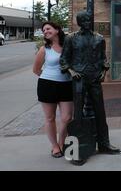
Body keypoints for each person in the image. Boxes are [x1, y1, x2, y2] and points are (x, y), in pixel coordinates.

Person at [60, 11, 121, 166]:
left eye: (89, 19)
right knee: (78, 114)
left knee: (100, 111)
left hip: (94, 78)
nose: (88, 22)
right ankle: (78, 149)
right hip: (79, 78)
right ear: (79, 22)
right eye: (84, 20)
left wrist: (103, 72)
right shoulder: (70, 38)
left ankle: (104, 143)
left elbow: (103, 59)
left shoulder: (99, 39)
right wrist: (72, 72)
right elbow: (64, 59)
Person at [33, 22, 73, 158]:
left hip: (66, 85)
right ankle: (55, 146)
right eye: (44, 30)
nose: (45, 31)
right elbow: (36, 69)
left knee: (67, 117)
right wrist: (48, 76)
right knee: (50, 118)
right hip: (47, 85)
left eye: (48, 29)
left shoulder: (68, 46)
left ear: (57, 30)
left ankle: (62, 143)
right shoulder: (45, 49)